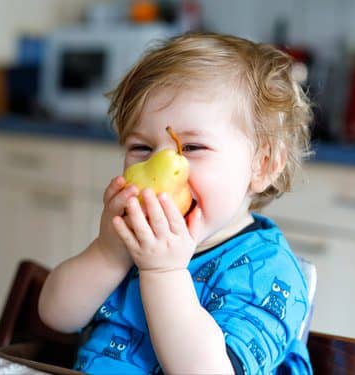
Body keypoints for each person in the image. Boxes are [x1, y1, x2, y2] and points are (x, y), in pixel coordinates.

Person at [38, 32, 313, 374]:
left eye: (191, 148)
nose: (162, 164)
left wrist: (164, 272)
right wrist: (107, 252)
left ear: (264, 166)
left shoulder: (268, 270)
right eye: (141, 148)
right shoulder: (133, 242)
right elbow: (56, 316)